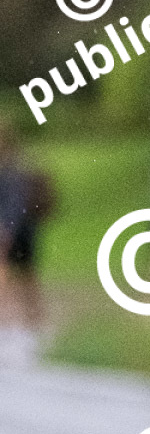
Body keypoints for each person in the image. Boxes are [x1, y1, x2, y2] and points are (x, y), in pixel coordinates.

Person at [0, 121, 57, 348]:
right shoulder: (19, 167)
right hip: (24, 230)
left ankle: (20, 326)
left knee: (12, 276)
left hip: (11, 230)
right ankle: (34, 325)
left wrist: (6, 229)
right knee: (27, 276)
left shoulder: (10, 173)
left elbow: (12, 205)